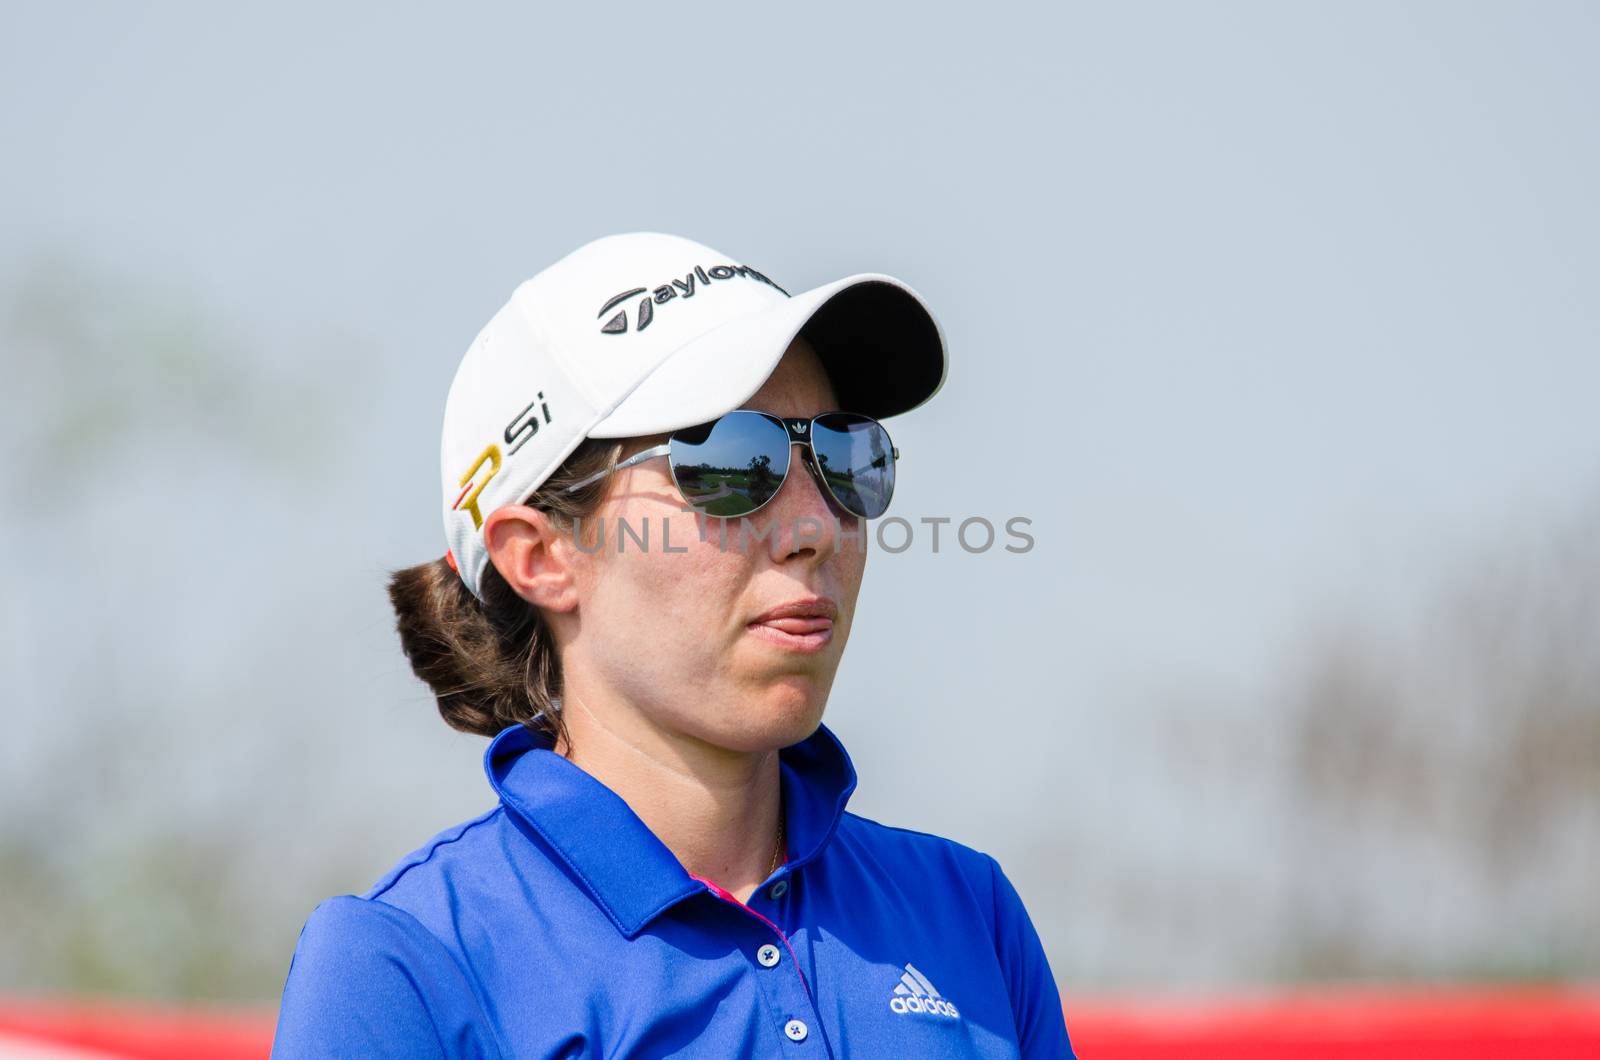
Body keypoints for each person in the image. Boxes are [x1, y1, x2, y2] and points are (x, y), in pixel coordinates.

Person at [271, 232, 1075, 1058]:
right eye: (732, 461)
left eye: (844, 456)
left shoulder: (966, 912)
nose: (814, 525)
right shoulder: (408, 965)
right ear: (542, 557)